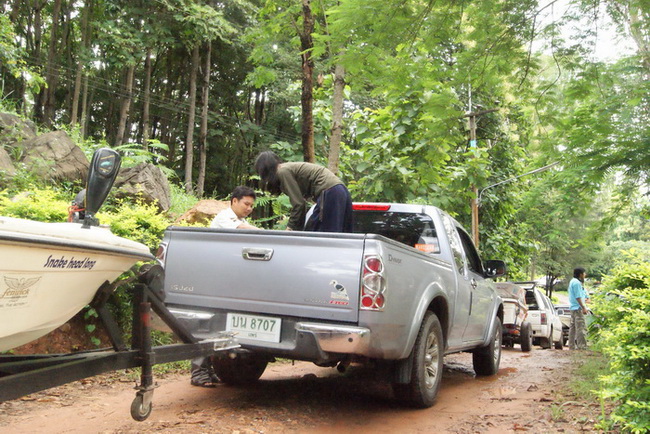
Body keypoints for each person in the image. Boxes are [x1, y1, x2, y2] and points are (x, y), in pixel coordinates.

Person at [191, 186, 258, 387]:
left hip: (226, 280)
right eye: (246, 204)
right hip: (213, 278)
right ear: (234, 201)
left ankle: (208, 370)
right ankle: (198, 372)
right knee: (208, 325)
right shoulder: (224, 218)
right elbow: (242, 231)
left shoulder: (242, 221)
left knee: (219, 326)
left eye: (252, 206)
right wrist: (264, 230)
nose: (249, 209)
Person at [254, 151, 352, 232]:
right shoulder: (286, 168)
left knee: (321, 232)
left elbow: (299, 204)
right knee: (340, 231)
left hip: (330, 191)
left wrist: (290, 228)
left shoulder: (282, 172)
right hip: (340, 190)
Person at [568, 267, 589, 350]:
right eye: (584, 273)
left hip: (573, 307)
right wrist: (583, 307)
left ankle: (571, 346)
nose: (585, 275)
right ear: (580, 274)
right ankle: (582, 346)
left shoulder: (572, 281)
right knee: (580, 327)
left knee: (572, 327)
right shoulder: (577, 283)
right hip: (578, 308)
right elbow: (578, 297)